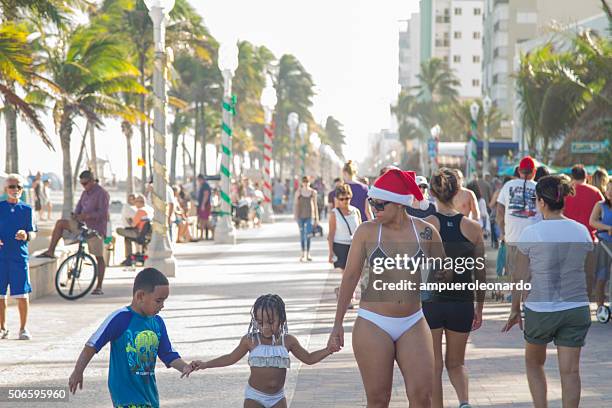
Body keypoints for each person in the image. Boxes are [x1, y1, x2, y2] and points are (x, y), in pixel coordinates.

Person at [328, 169, 447, 407]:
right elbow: (350, 277)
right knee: (379, 399)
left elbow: (444, 271)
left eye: (381, 204)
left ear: (400, 204)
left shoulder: (424, 231)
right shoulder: (367, 231)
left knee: (423, 397)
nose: (374, 209)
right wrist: (337, 323)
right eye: (372, 203)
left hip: (413, 320)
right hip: (373, 322)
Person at [503, 175, 593, 408]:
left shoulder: (531, 234)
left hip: (540, 309)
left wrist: (515, 309)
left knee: (534, 364)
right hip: (576, 308)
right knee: (571, 372)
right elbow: (589, 275)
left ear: (541, 201)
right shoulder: (582, 231)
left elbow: (520, 277)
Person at [183, 294, 338, 407]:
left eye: (271, 322)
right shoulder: (250, 340)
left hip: (277, 398)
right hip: (254, 397)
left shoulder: (288, 341)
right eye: (260, 322)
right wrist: (204, 364)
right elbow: (230, 358)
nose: (265, 327)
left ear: (281, 320)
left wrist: (328, 350)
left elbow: (309, 358)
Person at [68, 268, 192, 407]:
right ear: (140, 296)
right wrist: (78, 371)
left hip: (149, 396)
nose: (162, 305)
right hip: (125, 396)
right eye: (158, 301)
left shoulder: (157, 323)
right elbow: (92, 345)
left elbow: (168, 354)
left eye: (164, 301)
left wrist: (185, 367)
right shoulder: (120, 318)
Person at [424, 169, 486, 408]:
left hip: (432, 303)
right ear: (458, 192)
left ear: (431, 192)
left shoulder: (426, 226)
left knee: (435, 365)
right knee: (456, 363)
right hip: (462, 303)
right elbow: (480, 274)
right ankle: (464, 402)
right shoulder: (473, 228)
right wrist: (479, 307)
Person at [37, 171, 109, 295]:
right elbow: (79, 207)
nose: (83, 186)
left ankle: (99, 286)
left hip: (95, 229)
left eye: (85, 183)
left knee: (99, 257)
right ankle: (50, 251)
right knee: (60, 223)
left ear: (92, 181)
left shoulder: (102, 193)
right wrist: (76, 215)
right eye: (81, 184)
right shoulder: (85, 193)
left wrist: (87, 216)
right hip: (82, 225)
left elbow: (103, 214)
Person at [0, 175, 36, 340]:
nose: (15, 190)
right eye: (12, 187)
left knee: (22, 295)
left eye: (18, 187)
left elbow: (33, 232)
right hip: (1, 258)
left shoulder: (27, 209)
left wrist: (26, 235)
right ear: (6, 189)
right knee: (0, 295)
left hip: (19, 258)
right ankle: (2, 328)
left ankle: (23, 328)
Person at [496, 156, 540, 285]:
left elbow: (499, 212)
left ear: (519, 171)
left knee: (514, 275)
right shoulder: (538, 188)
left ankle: (514, 302)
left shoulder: (508, 185)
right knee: (530, 276)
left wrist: (503, 232)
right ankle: (527, 302)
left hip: (512, 238)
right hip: (533, 239)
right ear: (534, 171)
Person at [564, 165, 604, 297]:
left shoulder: (566, 193)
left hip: (568, 240)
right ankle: (585, 299)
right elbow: (604, 215)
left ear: (572, 177)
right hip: (590, 239)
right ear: (587, 177)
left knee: (570, 273)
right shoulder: (595, 192)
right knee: (588, 274)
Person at [327, 184, 362, 307]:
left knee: (355, 274)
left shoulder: (355, 211)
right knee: (347, 274)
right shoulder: (334, 214)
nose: (345, 201)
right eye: (342, 199)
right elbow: (331, 234)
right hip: (340, 246)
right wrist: (331, 252)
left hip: (355, 246)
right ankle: (350, 298)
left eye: (347, 198)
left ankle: (340, 291)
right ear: (337, 199)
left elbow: (360, 230)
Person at [589, 180, 612, 312]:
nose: (610, 192)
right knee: (601, 276)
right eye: (608, 189)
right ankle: (600, 307)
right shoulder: (600, 205)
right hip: (604, 245)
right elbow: (592, 221)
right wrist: (607, 227)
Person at [117, 194, 153, 266]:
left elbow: (133, 224)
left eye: (136, 201)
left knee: (119, 230)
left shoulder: (140, 211)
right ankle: (133, 256)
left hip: (140, 234)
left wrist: (129, 221)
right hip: (149, 234)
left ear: (140, 202)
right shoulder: (150, 209)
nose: (134, 203)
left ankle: (128, 258)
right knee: (127, 236)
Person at [294, 176, 319, 262]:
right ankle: (302, 254)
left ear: (309, 182)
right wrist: (295, 216)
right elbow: (296, 204)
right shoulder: (298, 192)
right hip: (300, 216)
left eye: (307, 181)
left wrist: (317, 218)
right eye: (304, 181)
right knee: (302, 235)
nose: (305, 183)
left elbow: (315, 205)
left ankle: (308, 253)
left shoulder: (313, 192)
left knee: (308, 234)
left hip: (310, 216)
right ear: (302, 182)